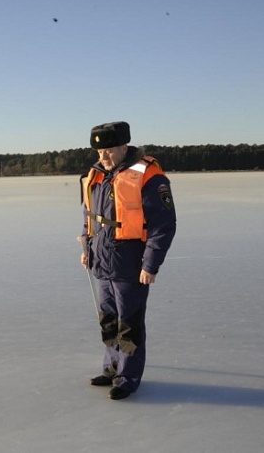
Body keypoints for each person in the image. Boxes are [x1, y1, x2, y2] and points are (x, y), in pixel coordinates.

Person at [79, 121, 176, 400]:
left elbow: (164, 224)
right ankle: (111, 367)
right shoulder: (97, 174)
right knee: (108, 319)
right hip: (102, 261)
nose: (103, 157)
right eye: (99, 152)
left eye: (108, 151)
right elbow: (89, 216)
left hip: (130, 262)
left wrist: (150, 265)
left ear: (124, 146)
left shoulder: (148, 176)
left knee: (129, 322)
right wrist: (86, 246)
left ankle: (128, 376)